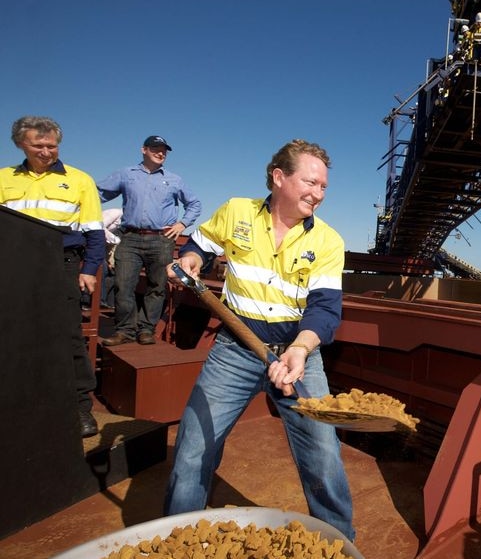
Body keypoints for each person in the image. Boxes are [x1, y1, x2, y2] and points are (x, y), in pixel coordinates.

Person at [163, 139, 354, 541]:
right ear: (279, 177)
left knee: (323, 454)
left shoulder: (328, 241)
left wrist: (300, 350)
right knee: (194, 447)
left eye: (323, 187)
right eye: (310, 182)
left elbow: (324, 310)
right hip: (235, 349)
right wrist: (193, 259)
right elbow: (200, 245)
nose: (317, 194)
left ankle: (339, 542)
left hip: (297, 355)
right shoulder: (237, 212)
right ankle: (174, 539)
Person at [0, 116, 105, 437]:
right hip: (12, 265)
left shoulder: (79, 180)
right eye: (39, 145)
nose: (47, 151)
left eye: (52, 145)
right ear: (21, 144)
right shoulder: (4, 178)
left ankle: (79, 407)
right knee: (12, 332)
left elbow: (94, 232)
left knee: (67, 334)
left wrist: (89, 269)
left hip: (61, 263)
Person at [98, 135, 201, 346]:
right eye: (156, 148)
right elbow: (97, 193)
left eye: (164, 150)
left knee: (157, 285)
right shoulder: (127, 174)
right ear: (144, 150)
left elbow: (195, 204)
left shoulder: (174, 180)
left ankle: (146, 329)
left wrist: (182, 224)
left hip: (161, 240)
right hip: (130, 238)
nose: (161, 152)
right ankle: (125, 330)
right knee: (123, 284)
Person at [100, 207, 123, 309]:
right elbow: (99, 227)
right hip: (93, 243)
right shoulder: (116, 213)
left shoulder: (124, 225)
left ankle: (110, 304)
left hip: (105, 246)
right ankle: (98, 300)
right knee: (102, 270)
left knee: (114, 274)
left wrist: (110, 260)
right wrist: (115, 240)